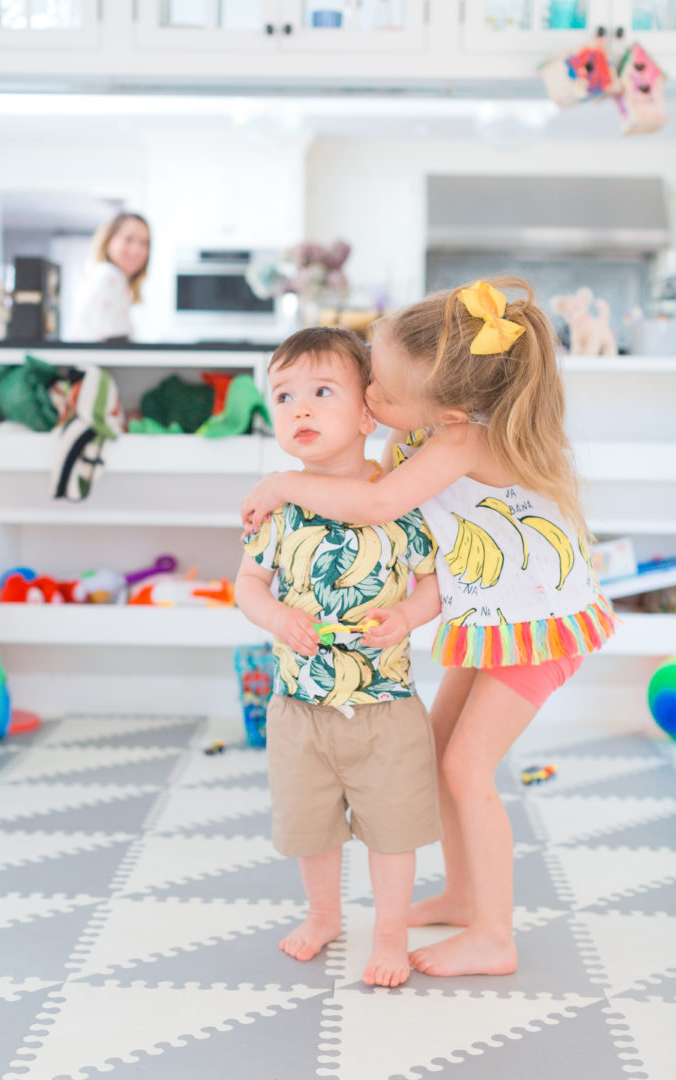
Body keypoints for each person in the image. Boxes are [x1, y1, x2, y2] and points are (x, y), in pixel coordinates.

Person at [241, 278, 617, 978]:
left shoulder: (463, 436)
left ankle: (493, 935)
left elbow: (380, 503)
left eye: (376, 387)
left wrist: (283, 483)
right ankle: (466, 892)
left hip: (541, 624)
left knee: (465, 768)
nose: (368, 396)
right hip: (503, 615)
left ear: (442, 404)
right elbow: (377, 487)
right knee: (436, 748)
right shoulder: (425, 428)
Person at [235, 326, 443, 988]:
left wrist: (408, 615)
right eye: (285, 395)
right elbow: (247, 584)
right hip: (300, 707)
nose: (300, 408)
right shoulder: (278, 509)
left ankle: (388, 929)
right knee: (311, 827)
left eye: (322, 392)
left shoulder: (399, 503)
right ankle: (324, 914)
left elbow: (438, 582)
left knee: (393, 829)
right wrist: (276, 616)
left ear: (364, 412)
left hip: (384, 707)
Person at [70, 212, 150, 342]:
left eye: (144, 243)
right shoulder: (109, 275)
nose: (136, 249)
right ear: (108, 240)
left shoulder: (102, 274)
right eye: (128, 239)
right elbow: (115, 344)